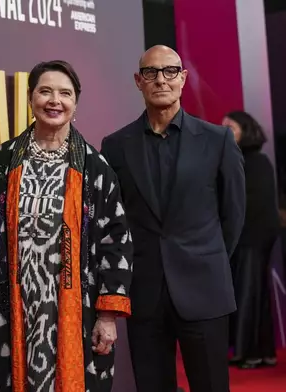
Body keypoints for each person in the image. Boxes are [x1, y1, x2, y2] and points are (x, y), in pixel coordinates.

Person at [0, 60, 134, 392]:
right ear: (31, 98)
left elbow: (116, 240)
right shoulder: (2, 161)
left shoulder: (96, 167)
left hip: (78, 307)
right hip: (11, 306)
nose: (54, 100)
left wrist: (107, 317)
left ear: (75, 103)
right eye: (45, 91)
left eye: (65, 93)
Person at [100, 45, 246, 392]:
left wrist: (206, 259)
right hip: (145, 291)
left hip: (204, 289)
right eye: (150, 72)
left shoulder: (218, 140)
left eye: (169, 71)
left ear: (182, 78)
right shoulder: (116, 146)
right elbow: (113, 221)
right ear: (139, 81)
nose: (160, 80)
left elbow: (234, 215)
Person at [222, 110, 279, 369]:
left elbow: (249, 205)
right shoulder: (249, 160)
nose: (224, 132)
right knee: (256, 293)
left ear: (245, 130)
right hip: (253, 237)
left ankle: (245, 352)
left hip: (251, 237)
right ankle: (262, 351)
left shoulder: (252, 161)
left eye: (230, 128)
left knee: (246, 292)